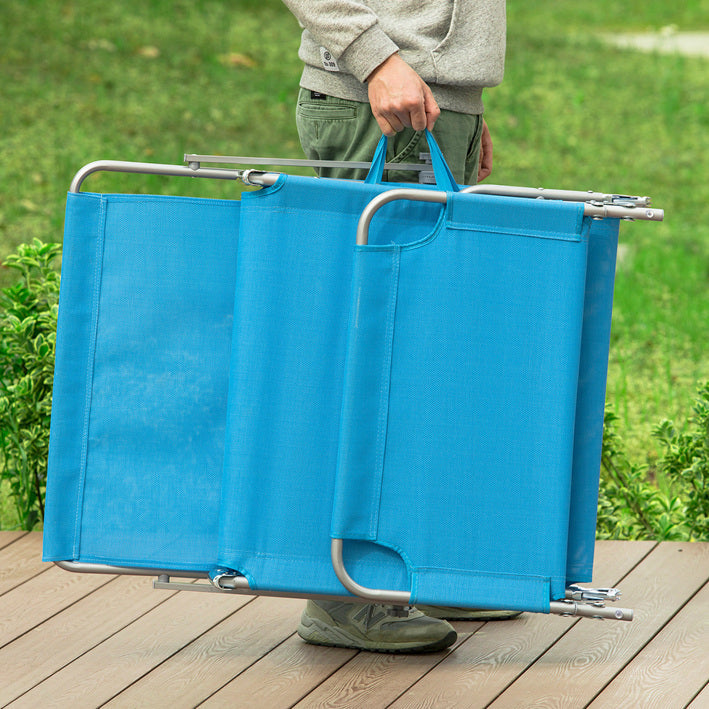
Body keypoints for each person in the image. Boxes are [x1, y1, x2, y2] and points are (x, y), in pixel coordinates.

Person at [281, 0, 518, 653]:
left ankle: (408, 566)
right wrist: (379, 61)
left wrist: (461, 104)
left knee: (423, 349)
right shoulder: (380, 72)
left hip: (427, 100)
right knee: (372, 349)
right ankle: (344, 592)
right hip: (379, 93)